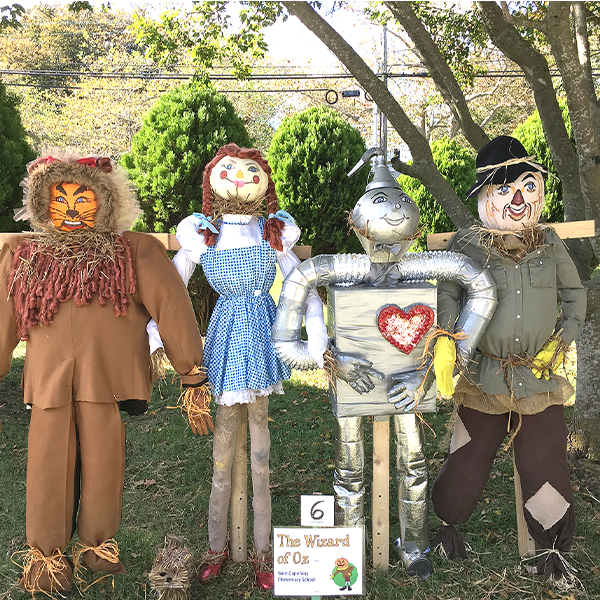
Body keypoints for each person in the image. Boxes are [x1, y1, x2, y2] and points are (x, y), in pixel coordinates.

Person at [0, 151, 206, 594]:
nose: (71, 210)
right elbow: (3, 318)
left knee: (104, 463)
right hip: (49, 379)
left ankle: (97, 547)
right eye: (59, 199)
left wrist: (192, 373)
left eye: (84, 198)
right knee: (45, 464)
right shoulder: (22, 254)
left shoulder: (133, 251)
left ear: (108, 202)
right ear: (41, 202)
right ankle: (46, 558)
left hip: (106, 379)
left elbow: (172, 309)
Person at [150, 143, 326, 590]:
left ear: (263, 179)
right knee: (222, 454)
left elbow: (299, 282)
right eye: (232, 171)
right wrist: (154, 337)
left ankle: (263, 552)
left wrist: (316, 330)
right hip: (226, 342)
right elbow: (172, 287)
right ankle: (216, 546)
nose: (242, 179)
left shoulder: (273, 231)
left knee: (263, 452)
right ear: (215, 178)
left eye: (251, 172)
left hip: (264, 340)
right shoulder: (201, 232)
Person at [432, 136, 587, 581]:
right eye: (505, 189)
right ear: (485, 196)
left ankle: (552, 549)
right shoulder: (466, 244)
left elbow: (574, 295)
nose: (518, 198)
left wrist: (561, 341)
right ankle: (447, 527)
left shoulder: (550, 243)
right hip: (484, 378)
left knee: (545, 460)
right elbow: (447, 292)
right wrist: (447, 339)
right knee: (467, 456)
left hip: (538, 378)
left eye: (527, 185)